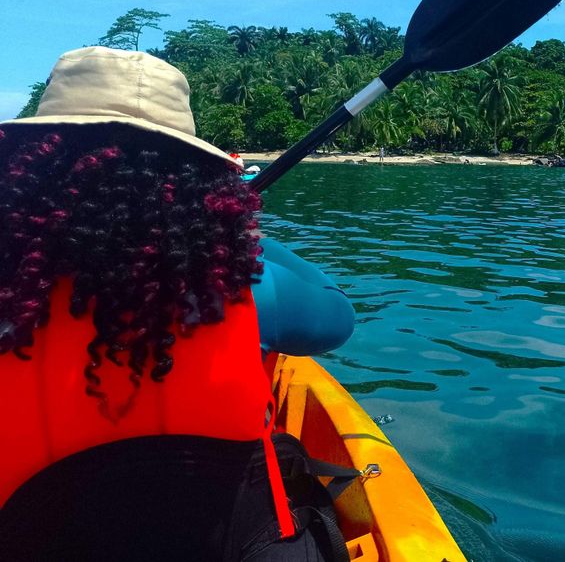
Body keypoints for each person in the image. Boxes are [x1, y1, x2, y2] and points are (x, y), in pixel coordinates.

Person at [0, 47, 354, 560]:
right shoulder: (243, 285)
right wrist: (244, 238)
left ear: (26, 168)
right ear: (199, 181)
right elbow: (337, 317)